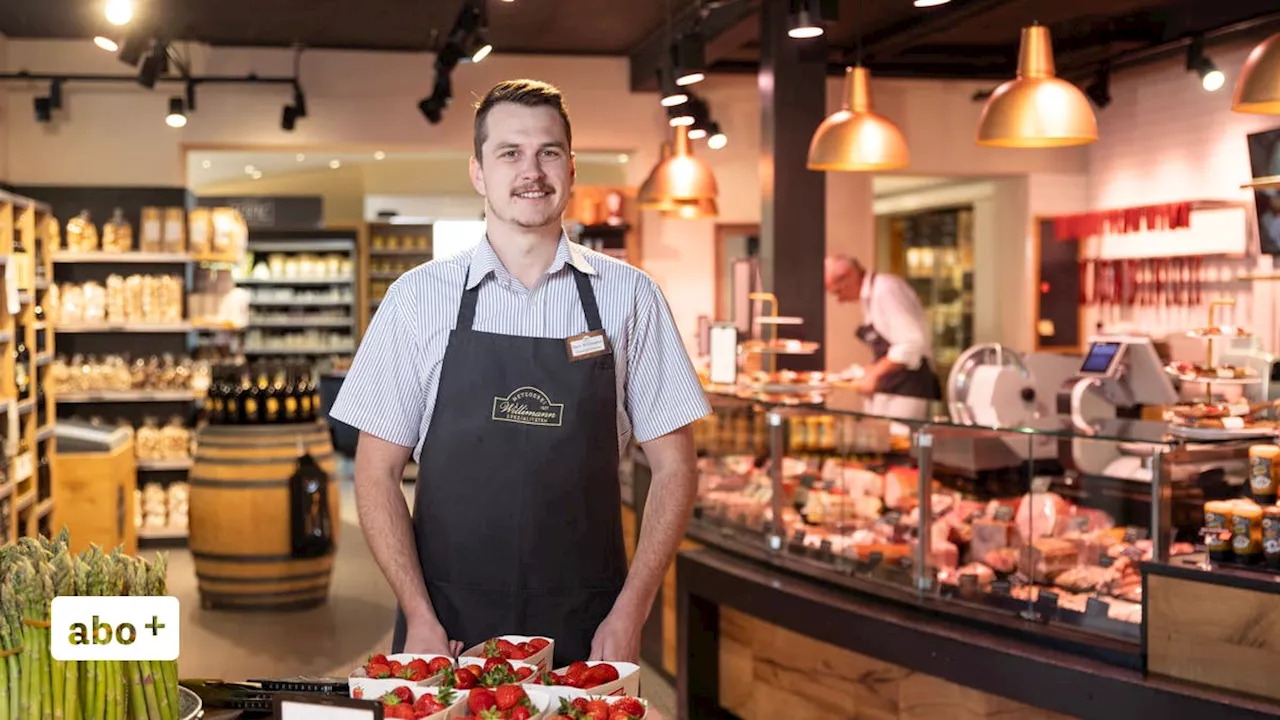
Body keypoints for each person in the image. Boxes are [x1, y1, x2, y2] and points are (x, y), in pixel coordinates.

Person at [328, 79, 710, 668]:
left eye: (548, 152)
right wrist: (417, 611)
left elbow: (675, 467)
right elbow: (376, 475)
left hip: (590, 621)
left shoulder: (631, 298)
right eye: (509, 153)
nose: (531, 170)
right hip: (445, 628)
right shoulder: (417, 299)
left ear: (572, 167)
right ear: (479, 171)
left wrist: (631, 611)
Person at [823, 254, 941, 420]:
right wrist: (868, 371)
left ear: (849, 275)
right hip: (892, 385)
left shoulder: (886, 290)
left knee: (899, 442)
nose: (839, 300)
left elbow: (911, 343)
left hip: (909, 386)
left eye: (837, 291)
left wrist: (875, 374)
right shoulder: (871, 295)